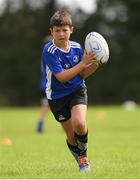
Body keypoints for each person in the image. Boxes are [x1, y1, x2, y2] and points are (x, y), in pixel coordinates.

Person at [42, 10, 99, 172]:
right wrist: (83, 64)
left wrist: (95, 64)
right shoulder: (49, 50)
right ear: (51, 31)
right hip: (57, 96)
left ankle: (83, 158)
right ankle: (81, 158)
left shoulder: (76, 47)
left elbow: (82, 74)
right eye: (57, 30)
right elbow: (61, 77)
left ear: (71, 30)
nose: (61, 34)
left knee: (79, 123)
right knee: (71, 135)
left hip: (77, 90)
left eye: (65, 30)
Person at [37, 35, 52, 133]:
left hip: (44, 85)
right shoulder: (50, 55)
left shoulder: (44, 55)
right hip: (49, 85)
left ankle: (41, 123)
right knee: (61, 106)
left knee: (46, 106)